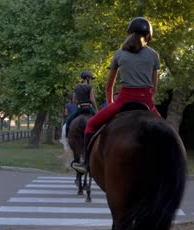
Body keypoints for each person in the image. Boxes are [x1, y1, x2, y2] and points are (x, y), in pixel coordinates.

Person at [72, 17, 161, 173]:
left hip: (123, 100)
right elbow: (154, 85)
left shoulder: (119, 54)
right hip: (147, 102)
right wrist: (150, 101)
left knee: (91, 125)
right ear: (148, 36)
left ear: (129, 34)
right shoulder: (154, 55)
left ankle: (86, 163)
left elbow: (109, 85)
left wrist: (111, 102)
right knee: (167, 131)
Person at [64, 70, 98, 136]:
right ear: (87, 78)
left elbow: (74, 100)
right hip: (89, 108)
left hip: (79, 109)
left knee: (68, 121)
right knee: (100, 120)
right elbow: (92, 99)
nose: (91, 80)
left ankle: (66, 135)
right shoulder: (90, 87)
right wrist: (96, 109)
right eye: (91, 79)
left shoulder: (76, 87)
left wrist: (79, 102)